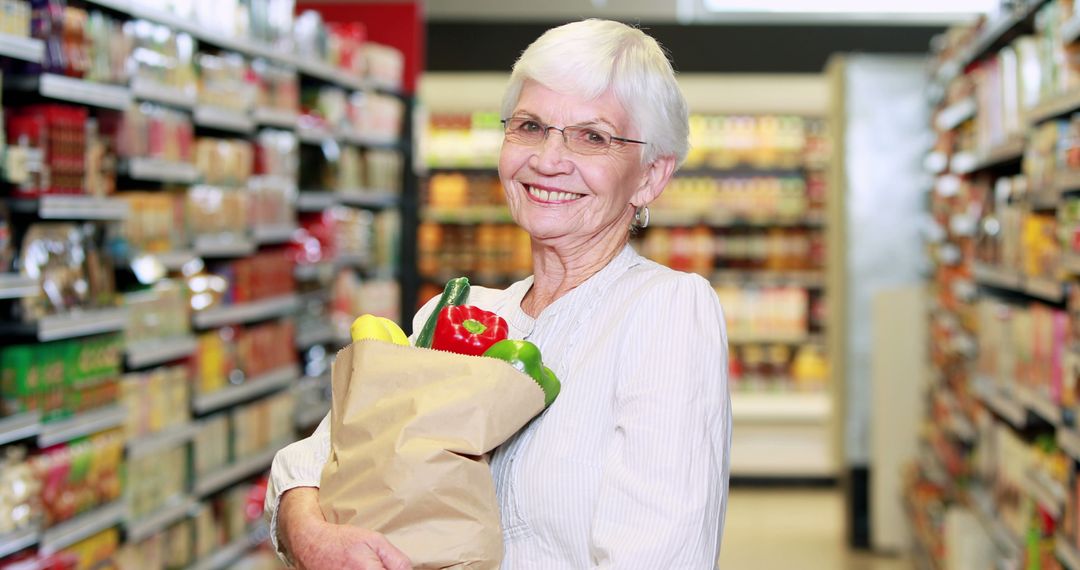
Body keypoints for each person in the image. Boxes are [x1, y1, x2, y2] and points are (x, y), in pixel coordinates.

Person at [266, 18, 731, 569]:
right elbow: (310, 462)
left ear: (651, 176)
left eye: (593, 136)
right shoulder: (459, 314)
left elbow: (658, 556)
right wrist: (309, 533)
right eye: (530, 126)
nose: (548, 159)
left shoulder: (666, 311)